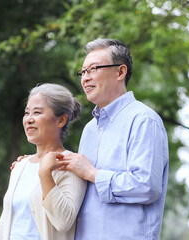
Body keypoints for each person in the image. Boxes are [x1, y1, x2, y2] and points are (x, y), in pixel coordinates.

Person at [60, 38, 169, 240]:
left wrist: (93, 174)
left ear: (120, 72)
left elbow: (147, 186)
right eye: (83, 72)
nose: (85, 78)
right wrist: (35, 163)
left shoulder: (143, 120)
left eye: (93, 69)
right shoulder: (89, 129)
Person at [0, 83, 86, 240]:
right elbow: (5, 221)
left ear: (61, 120)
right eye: (27, 113)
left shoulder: (71, 164)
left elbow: (63, 222)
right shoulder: (21, 166)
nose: (29, 119)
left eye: (37, 112)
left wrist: (45, 173)